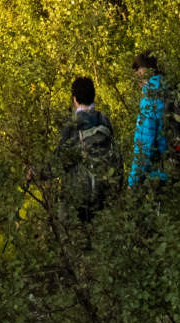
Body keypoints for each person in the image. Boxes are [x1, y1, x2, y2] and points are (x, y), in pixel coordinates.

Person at [51, 75, 119, 222]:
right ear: (93, 97)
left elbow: (58, 162)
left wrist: (35, 172)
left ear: (74, 99)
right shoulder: (104, 120)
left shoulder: (72, 125)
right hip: (103, 193)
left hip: (78, 197)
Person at [128, 53, 169, 188]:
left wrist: (132, 184)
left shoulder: (150, 100)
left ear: (141, 72)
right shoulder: (171, 89)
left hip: (161, 176)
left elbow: (144, 149)